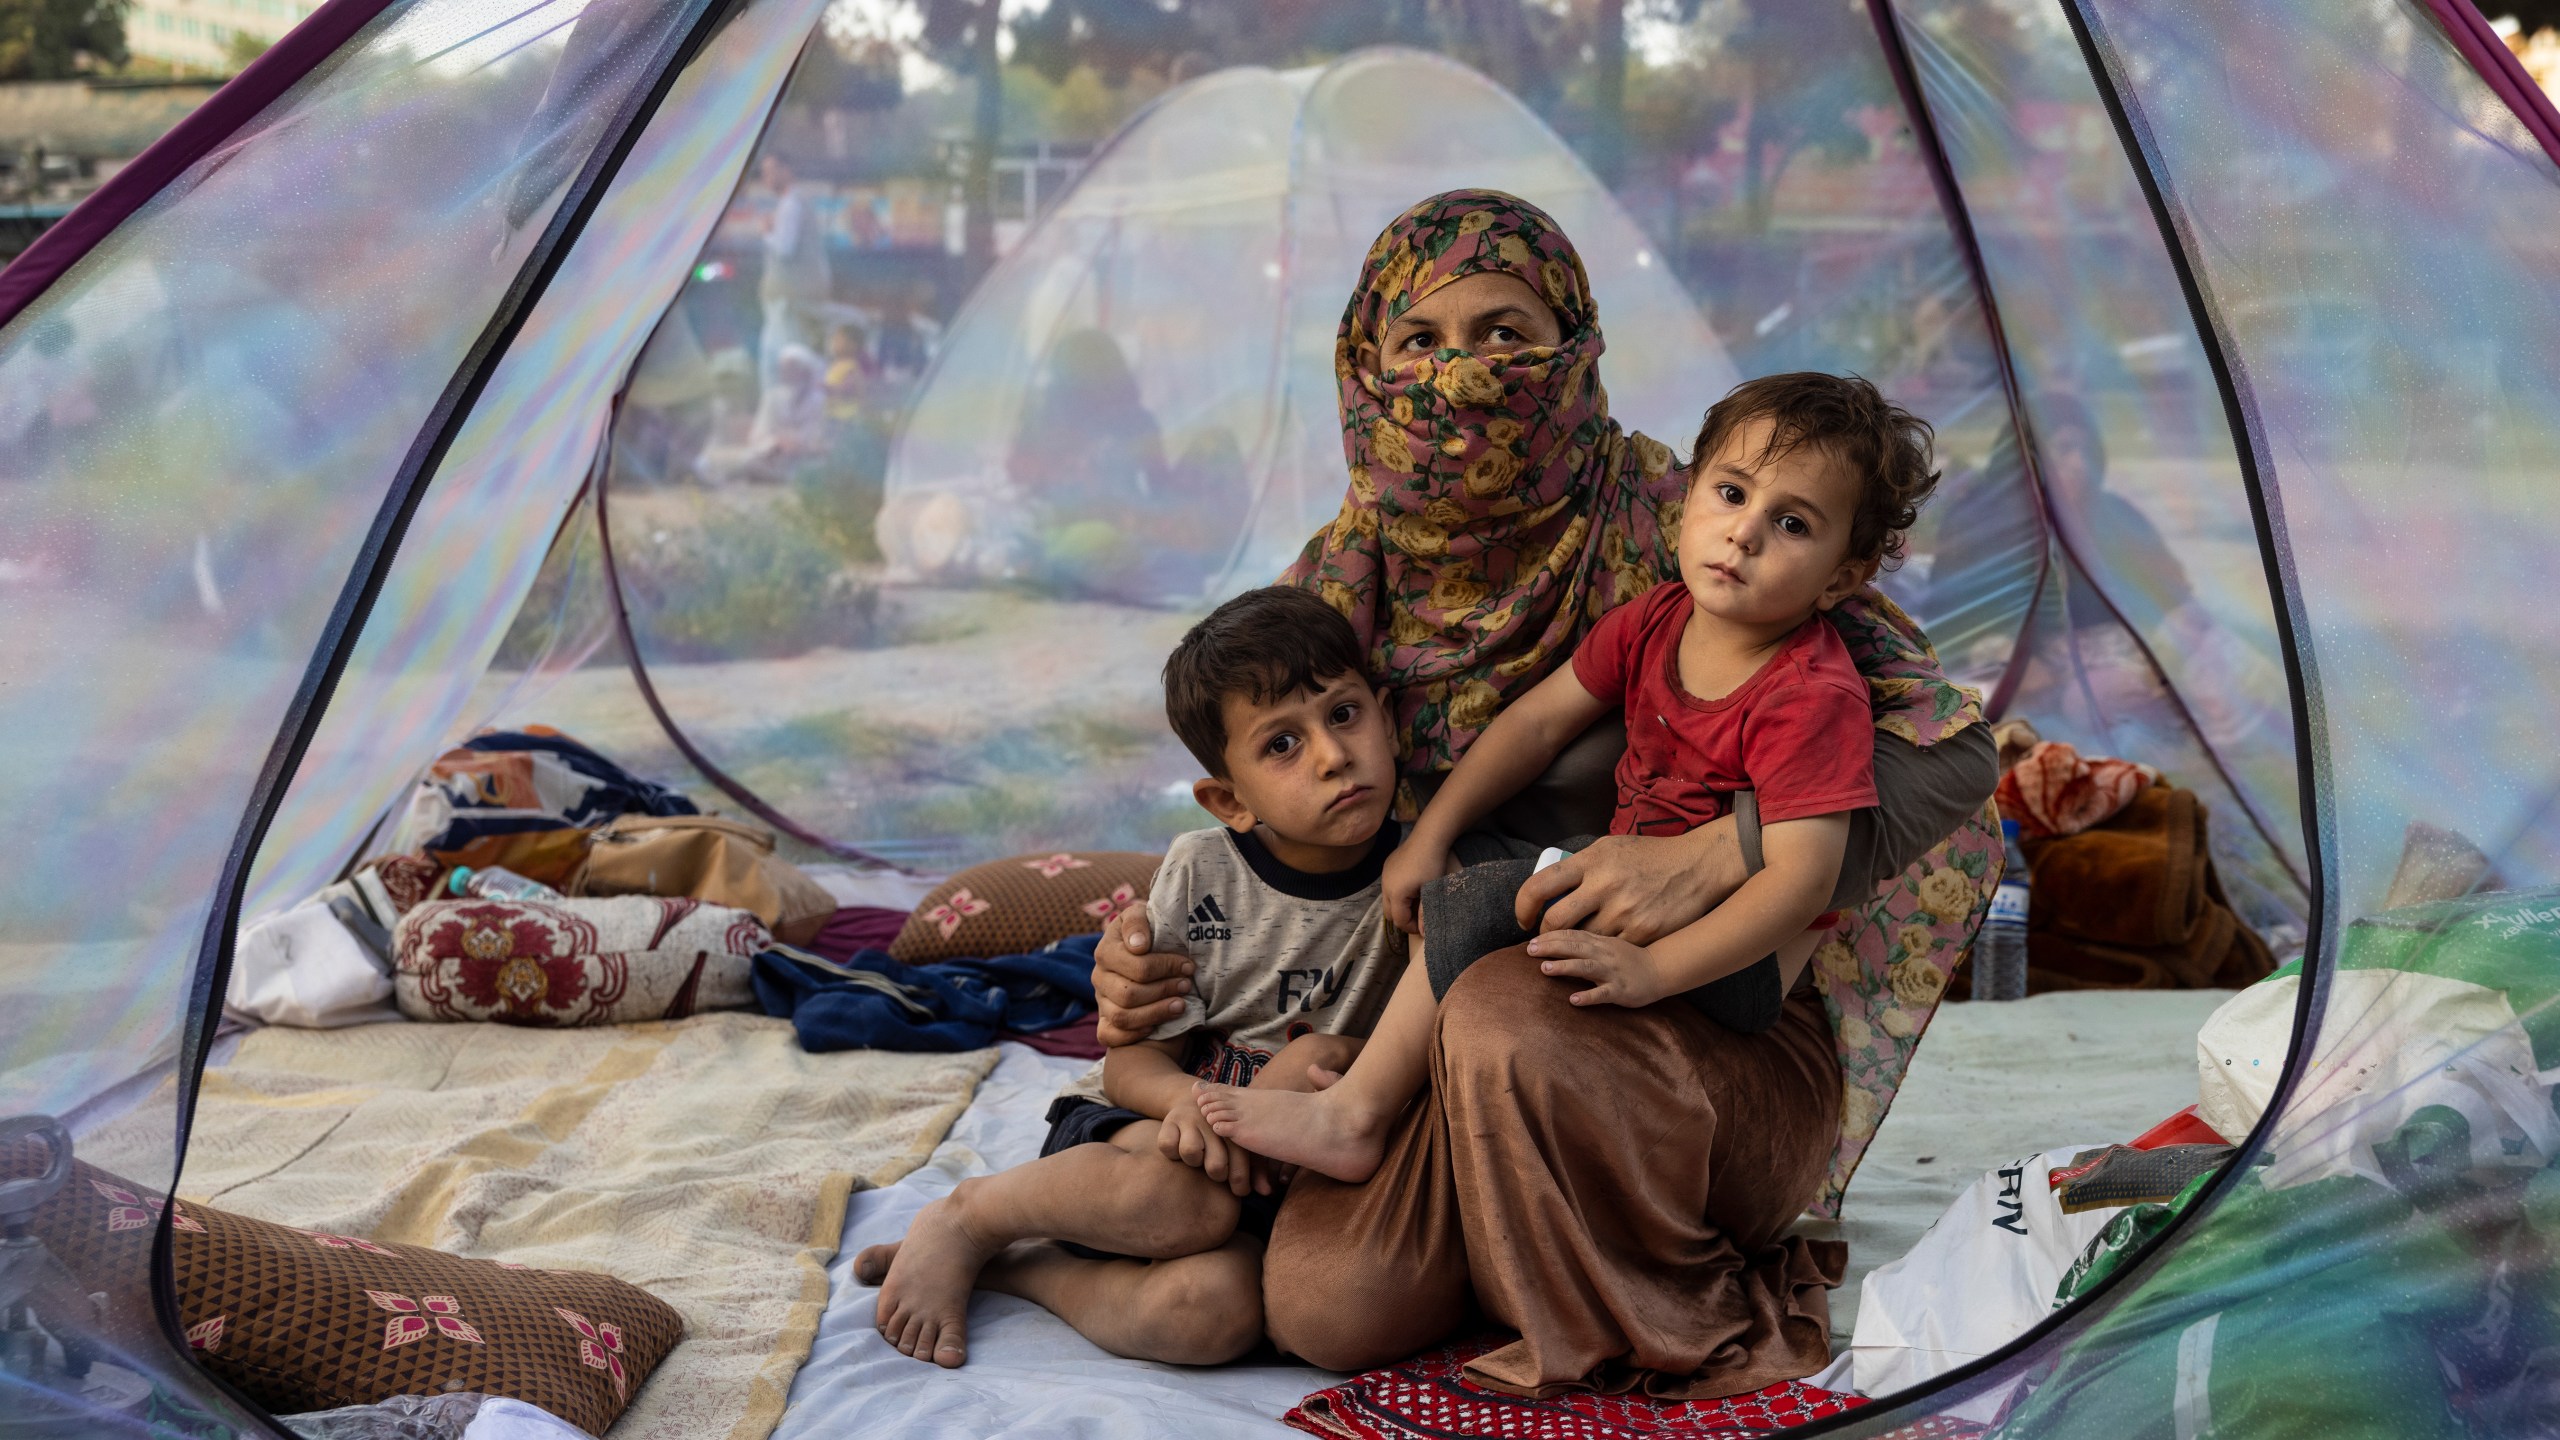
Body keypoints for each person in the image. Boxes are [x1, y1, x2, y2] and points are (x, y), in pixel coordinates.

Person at [1091, 190, 2000, 1397]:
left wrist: (1712, 853)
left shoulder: (1688, 536)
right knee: (1322, 1307)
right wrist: (1150, 965)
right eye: (1422, 343)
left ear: (1573, 345)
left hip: (1681, 1030)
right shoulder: (1341, 581)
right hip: (1433, 1025)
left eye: (1506, 332)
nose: (1465, 376)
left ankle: (1609, 1272)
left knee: (1506, 1007)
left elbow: (1956, 757)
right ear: (1368, 365)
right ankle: (1495, 1229)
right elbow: (1276, 820)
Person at [1197, 373, 1939, 1185]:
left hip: (1738, 958)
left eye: (1792, 523)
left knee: (1485, 899)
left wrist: (1658, 970)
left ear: (1841, 577)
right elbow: (1533, 724)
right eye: (1731, 493)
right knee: (1471, 858)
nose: (1744, 535)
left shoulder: (1808, 693)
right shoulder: (1656, 622)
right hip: (1635, 885)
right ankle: (1394, 1075)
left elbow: (1803, 880)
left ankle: (1356, 1115)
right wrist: (1433, 837)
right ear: (1689, 497)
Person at [851, 586, 1413, 1370]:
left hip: (1282, 1181)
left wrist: (1280, 1099)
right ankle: (972, 1218)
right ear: (1230, 800)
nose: (1331, 755)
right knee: (1183, 1199)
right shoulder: (1203, 872)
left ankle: (1025, 1267)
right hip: (1144, 1144)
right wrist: (1202, 1108)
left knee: (1211, 1313)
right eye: (1281, 745)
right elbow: (1129, 1061)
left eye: (1344, 714)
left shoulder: (1424, 875)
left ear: (1386, 716)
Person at [757, 154, 831, 396]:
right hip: (787, 300)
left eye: (771, 171)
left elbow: (784, 249)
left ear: (786, 170)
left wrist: (767, 232)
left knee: (783, 363)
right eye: (764, 172)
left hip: (790, 302)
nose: (766, 178)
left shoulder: (792, 204)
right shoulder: (791, 203)